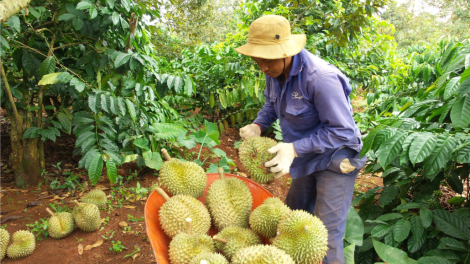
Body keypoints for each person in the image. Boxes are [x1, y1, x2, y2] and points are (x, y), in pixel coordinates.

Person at [235, 15, 366, 264]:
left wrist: (294, 149)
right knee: (294, 214)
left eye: (268, 59)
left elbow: (342, 132)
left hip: (337, 158)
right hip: (304, 154)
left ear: (287, 51)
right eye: (257, 60)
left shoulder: (321, 79)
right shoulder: (274, 70)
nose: (263, 66)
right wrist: (257, 124)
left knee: (326, 234)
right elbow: (272, 104)